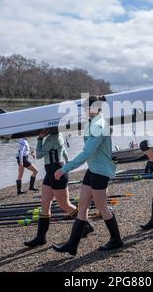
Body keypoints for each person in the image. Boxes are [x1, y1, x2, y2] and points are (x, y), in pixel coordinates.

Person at [52, 95, 123, 256]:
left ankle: (116, 239)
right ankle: (72, 245)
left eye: (85, 107)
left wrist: (65, 168)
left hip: (101, 171)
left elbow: (87, 152)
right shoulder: (91, 122)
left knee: (102, 207)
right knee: (82, 206)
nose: (83, 110)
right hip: (93, 168)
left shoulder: (99, 124)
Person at [24, 130, 94, 248]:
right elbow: (64, 152)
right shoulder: (58, 135)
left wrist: (40, 138)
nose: (41, 130)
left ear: (49, 129)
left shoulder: (52, 138)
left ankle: (86, 225)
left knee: (64, 205)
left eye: (43, 129)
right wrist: (66, 164)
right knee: (45, 204)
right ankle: (41, 238)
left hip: (57, 172)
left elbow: (39, 155)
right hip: (51, 172)